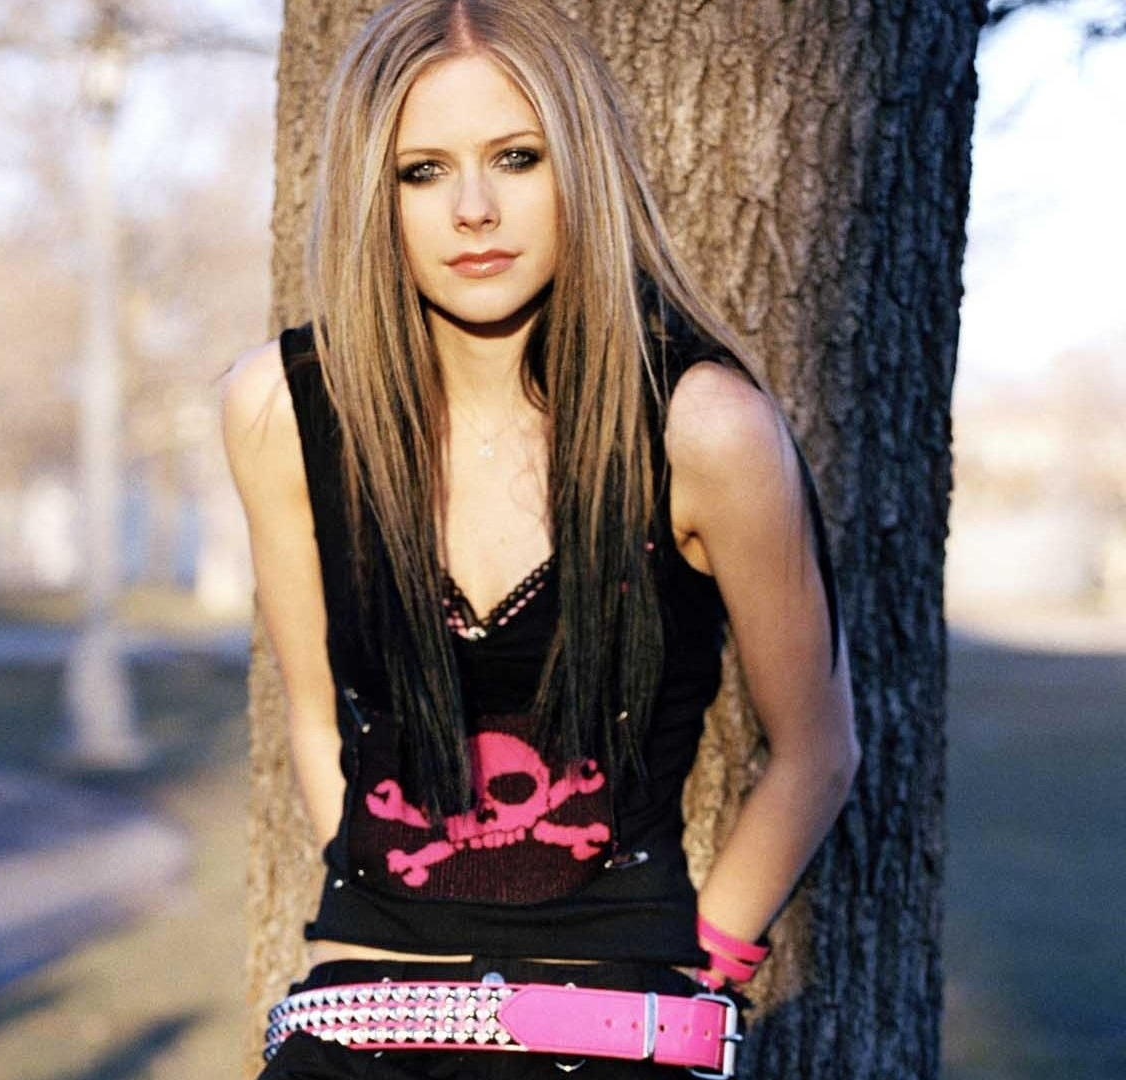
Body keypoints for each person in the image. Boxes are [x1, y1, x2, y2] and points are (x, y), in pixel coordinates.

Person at [218, 0, 860, 1076]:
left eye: (517, 158)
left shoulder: (705, 429)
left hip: (613, 1029)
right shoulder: (283, 409)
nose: (474, 209)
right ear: (377, 195)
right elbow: (318, 717)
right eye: (423, 171)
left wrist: (695, 983)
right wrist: (379, 921)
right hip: (358, 1029)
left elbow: (817, 750)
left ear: (581, 168)